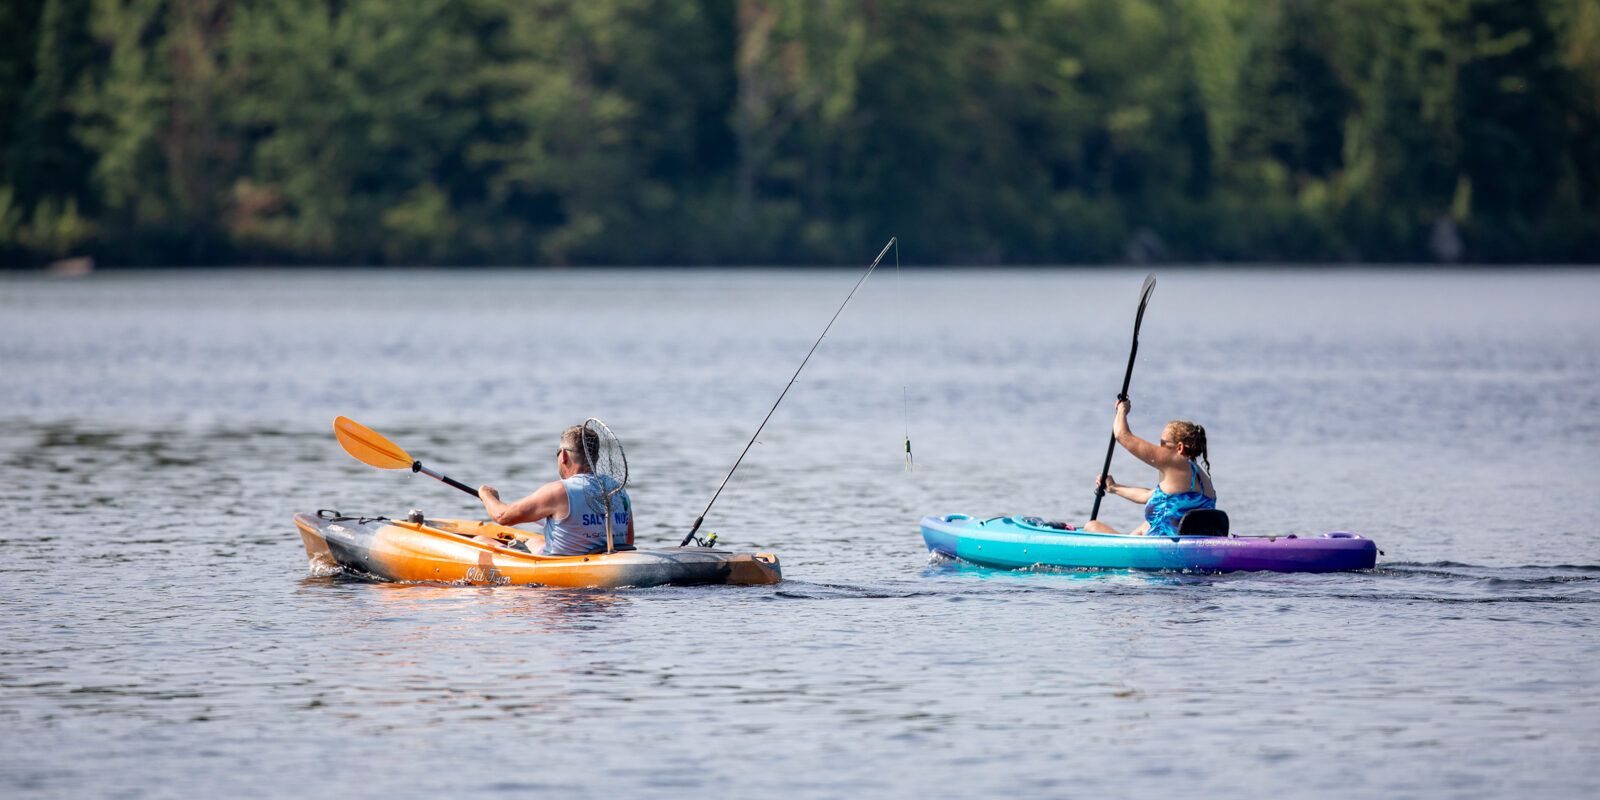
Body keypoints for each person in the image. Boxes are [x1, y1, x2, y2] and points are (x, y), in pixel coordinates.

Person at [477, 424, 634, 555]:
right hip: (606, 564)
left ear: (563, 455)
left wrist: (486, 495)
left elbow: (502, 516)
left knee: (479, 540)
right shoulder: (618, 490)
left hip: (564, 570)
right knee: (534, 541)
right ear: (596, 458)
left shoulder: (558, 491)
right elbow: (628, 542)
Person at [1084, 398, 1215, 536]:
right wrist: (1113, 487)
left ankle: (1123, 547)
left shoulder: (1176, 461)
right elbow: (1147, 495)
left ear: (1180, 447)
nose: (1158, 447)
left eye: (1162, 443)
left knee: (1091, 525)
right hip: (1193, 543)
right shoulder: (1204, 480)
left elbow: (1122, 435)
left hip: (1165, 546)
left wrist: (1122, 410)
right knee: (1146, 525)